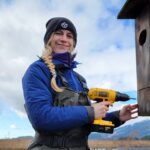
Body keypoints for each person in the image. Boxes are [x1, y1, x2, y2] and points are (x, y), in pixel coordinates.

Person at [22, 17, 138, 150]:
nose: (64, 39)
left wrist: (118, 117)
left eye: (69, 36)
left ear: (73, 43)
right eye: (58, 33)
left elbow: (85, 121)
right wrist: (90, 112)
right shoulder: (37, 70)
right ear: (48, 39)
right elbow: (41, 118)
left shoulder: (79, 80)